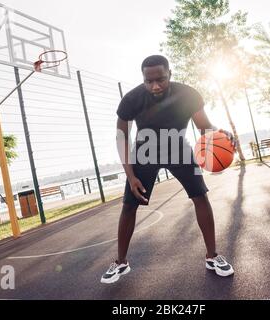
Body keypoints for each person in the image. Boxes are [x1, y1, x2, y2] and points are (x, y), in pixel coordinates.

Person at [101, 55, 235, 284]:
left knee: (200, 196)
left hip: (179, 148)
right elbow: (122, 137)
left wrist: (219, 132)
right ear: (143, 79)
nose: (155, 85)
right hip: (145, 152)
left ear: (169, 74)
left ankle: (212, 256)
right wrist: (131, 176)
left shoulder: (188, 94)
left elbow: (204, 126)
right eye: (148, 80)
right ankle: (121, 262)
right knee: (129, 205)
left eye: (160, 79)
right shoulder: (132, 99)